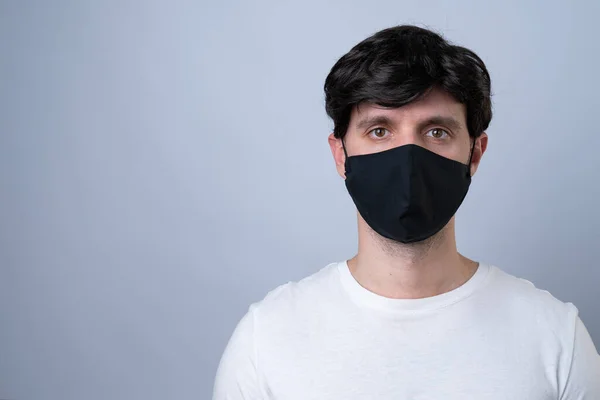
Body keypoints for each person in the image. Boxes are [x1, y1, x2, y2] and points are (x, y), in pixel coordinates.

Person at [212, 25, 600, 399]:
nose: (408, 159)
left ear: (475, 154)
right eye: (379, 130)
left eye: (437, 132)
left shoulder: (555, 339)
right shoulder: (266, 340)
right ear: (340, 153)